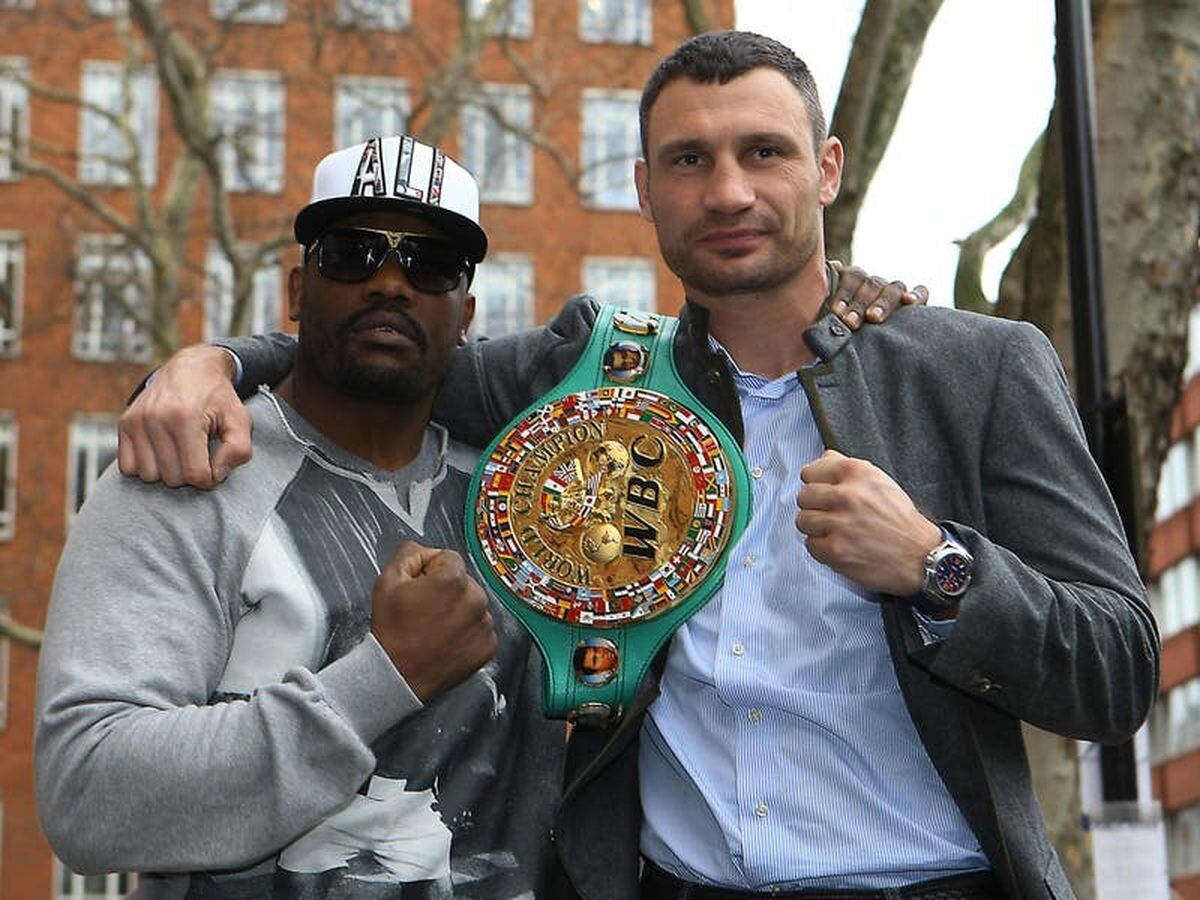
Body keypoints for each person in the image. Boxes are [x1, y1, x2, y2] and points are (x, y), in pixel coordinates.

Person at [110, 30, 1149, 900]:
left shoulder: (979, 371)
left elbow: (1118, 668)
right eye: (690, 162)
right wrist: (215, 362)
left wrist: (938, 568)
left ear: (826, 168)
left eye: (765, 152)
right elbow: (386, 351)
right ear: (646, 190)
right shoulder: (591, 373)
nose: (730, 191)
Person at [35, 137, 568, 898]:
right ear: (296, 290)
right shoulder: (189, 472)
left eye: (431, 264)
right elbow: (86, 794)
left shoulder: (526, 492)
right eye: (352, 253)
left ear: (466, 314)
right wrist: (383, 678)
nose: (390, 283)